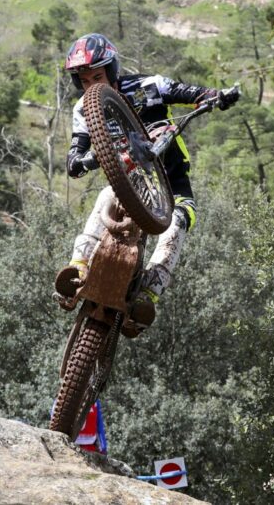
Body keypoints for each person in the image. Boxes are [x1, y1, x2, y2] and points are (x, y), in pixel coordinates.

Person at [56, 33, 239, 334]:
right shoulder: (82, 110)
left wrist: (216, 96)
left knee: (182, 219)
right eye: (85, 81)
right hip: (128, 182)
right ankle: (78, 265)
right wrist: (78, 161)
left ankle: (148, 294)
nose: (92, 85)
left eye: (98, 76)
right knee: (105, 196)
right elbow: (76, 150)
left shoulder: (148, 86)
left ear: (112, 70)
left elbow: (190, 92)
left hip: (171, 179)